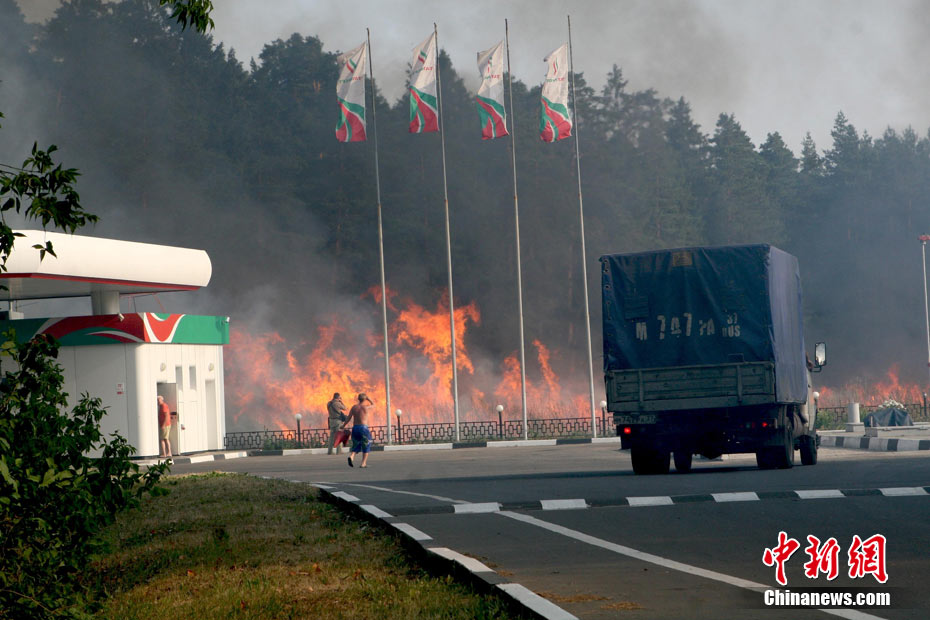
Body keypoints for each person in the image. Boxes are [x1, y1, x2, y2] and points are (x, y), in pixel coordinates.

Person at [342, 393, 373, 468]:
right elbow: (373, 405)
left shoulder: (354, 407)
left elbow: (348, 418)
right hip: (363, 428)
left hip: (355, 428)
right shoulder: (366, 407)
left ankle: (352, 456)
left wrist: (343, 425)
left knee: (356, 444)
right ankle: (363, 463)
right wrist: (368, 399)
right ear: (365, 399)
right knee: (366, 444)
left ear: (358, 399)